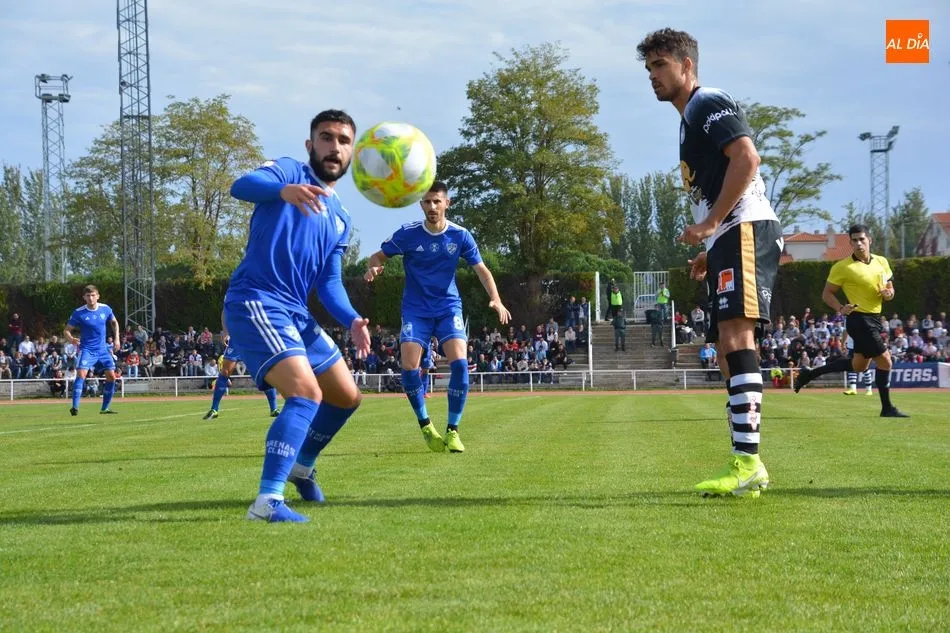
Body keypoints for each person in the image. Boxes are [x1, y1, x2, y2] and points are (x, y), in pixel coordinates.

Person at [639, 28, 782, 497]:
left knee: (736, 337)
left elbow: (747, 157)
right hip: (729, 235)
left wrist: (711, 224)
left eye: (660, 65)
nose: (653, 76)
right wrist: (709, 243)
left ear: (687, 65)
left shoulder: (706, 102)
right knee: (725, 347)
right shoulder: (688, 121)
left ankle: (747, 463)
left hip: (745, 228)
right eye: (649, 68)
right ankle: (748, 463)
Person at [224, 109, 371, 523]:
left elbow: (329, 284)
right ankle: (266, 502)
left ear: (352, 152)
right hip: (256, 300)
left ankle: (301, 466)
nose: (334, 146)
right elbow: (242, 186)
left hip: (296, 312)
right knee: (306, 394)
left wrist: (353, 320)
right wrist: (283, 190)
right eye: (326, 138)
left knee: (346, 396)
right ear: (311, 145)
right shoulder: (289, 170)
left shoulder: (340, 217)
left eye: (343, 140)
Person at [365, 181, 511, 453]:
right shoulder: (407, 234)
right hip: (416, 310)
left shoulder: (460, 236)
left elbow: (482, 269)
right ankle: (426, 426)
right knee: (409, 366)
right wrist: (373, 269)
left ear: (447, 204)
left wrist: (496, 298)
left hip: (447, 307)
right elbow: (377, 257)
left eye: (437, 201)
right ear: (421, 204)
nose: (432, 207)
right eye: (427, 202)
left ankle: (453, 430)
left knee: (460, 364)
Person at [793, 225, 908, 417]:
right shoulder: (843, 267)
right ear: (850, 243)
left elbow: (889, 289)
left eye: (862, 239)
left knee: (859, 366)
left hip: (875, 318)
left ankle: (809, 374)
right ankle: (887, 408)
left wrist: (889, 293)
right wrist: (840, 308)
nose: (858, 243)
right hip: (859, 319)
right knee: (886, 361)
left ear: (869, 240)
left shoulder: (881, 262)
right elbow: (827, 294)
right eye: (854, 240)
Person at [63, 285, 121, 416]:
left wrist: (117, 338)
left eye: (93, 295)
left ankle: (105, 408)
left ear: (98, 296)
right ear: (84, 297)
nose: (91, 298)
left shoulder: (105, 309)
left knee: (112, 377)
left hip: (103, 349)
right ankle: (75, 407)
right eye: (88, 296)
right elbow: (66, 330)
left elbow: (114, 322)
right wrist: (71, 339)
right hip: (87, 349)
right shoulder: (79, 312)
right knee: (81, 375)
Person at [202, 330, 281, 420]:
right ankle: (214, 409)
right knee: (225, 372)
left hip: (254, 340)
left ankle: (274, 409)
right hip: (237, 339)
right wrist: (226, 332)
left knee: (265, 373)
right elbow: (225, 315)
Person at [842, 328, 873, 396]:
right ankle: (853, 388)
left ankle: (869, 389)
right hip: (851, 346)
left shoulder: (863, 318)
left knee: (864, 368)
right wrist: (843, 343)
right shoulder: (848, 319)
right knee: (851, 366)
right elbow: (845, 331)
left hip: (863, 345)